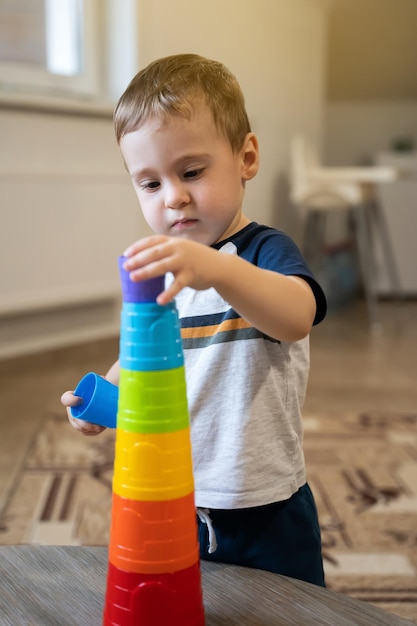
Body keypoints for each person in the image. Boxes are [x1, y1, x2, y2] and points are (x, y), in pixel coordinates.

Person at [61, 53, 327, 586]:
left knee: (292, 610)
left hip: (264, 500)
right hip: (180, 493)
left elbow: (297, 316)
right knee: (191, 599)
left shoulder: (264, 250)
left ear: (246, 157)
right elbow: (145, 356)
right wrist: (104, 397)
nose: (174, 197)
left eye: (191, 172)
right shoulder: (167, 266)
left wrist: (217, 268)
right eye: (150, 184)